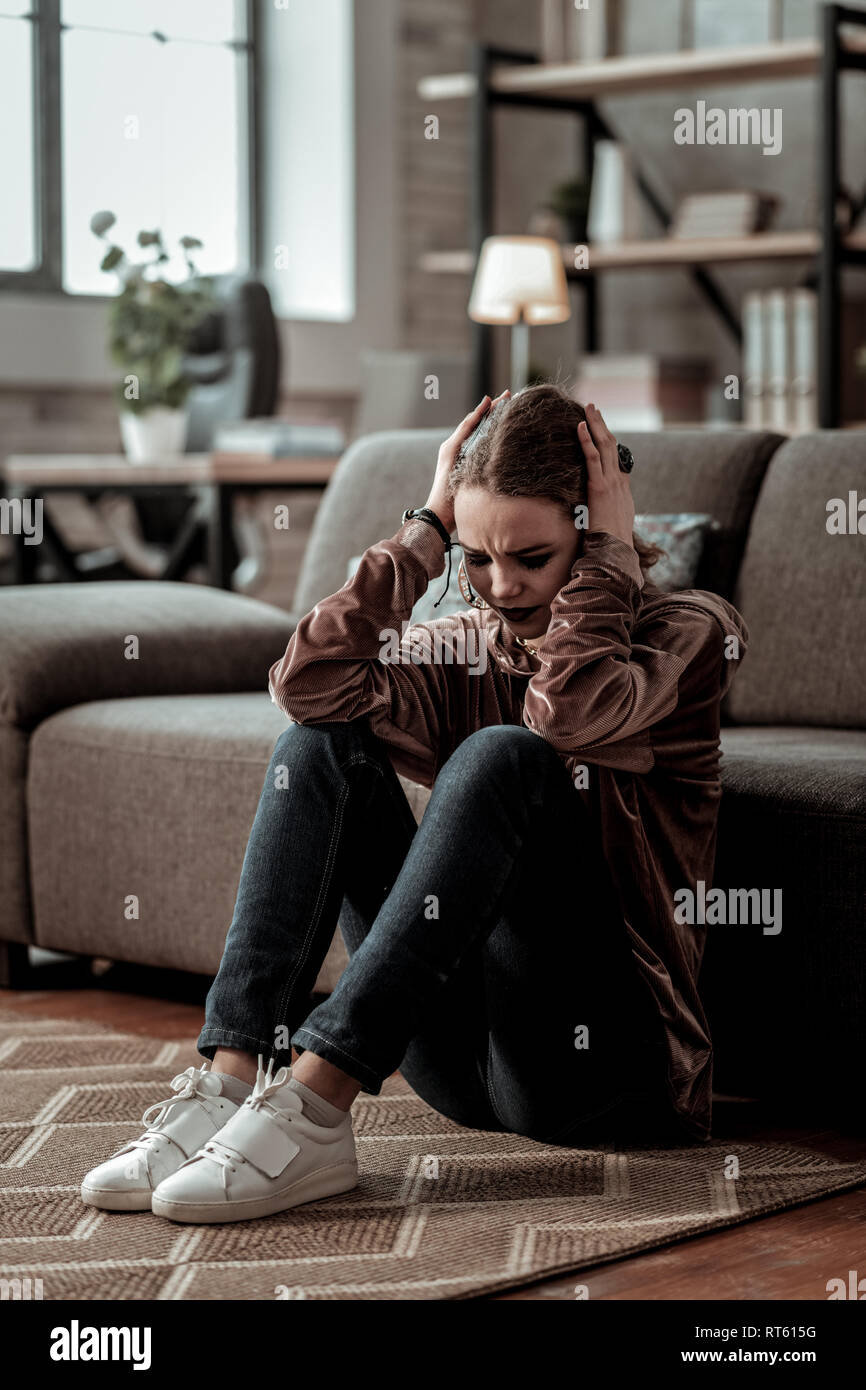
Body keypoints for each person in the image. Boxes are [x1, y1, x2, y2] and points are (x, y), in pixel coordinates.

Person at [81, 384, 748, 1225]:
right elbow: (309, 688)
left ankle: (318, 1100)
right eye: (478, 558)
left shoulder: (686, 635)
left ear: (594, 529)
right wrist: (423, 533)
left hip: (605, 1072)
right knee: (321, 745)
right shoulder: (462, 646)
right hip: (462, 1071)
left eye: (532, 557)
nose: (500, 587)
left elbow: (568, 713)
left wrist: (612, 563)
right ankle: (228, 1081)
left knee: (505, 754)